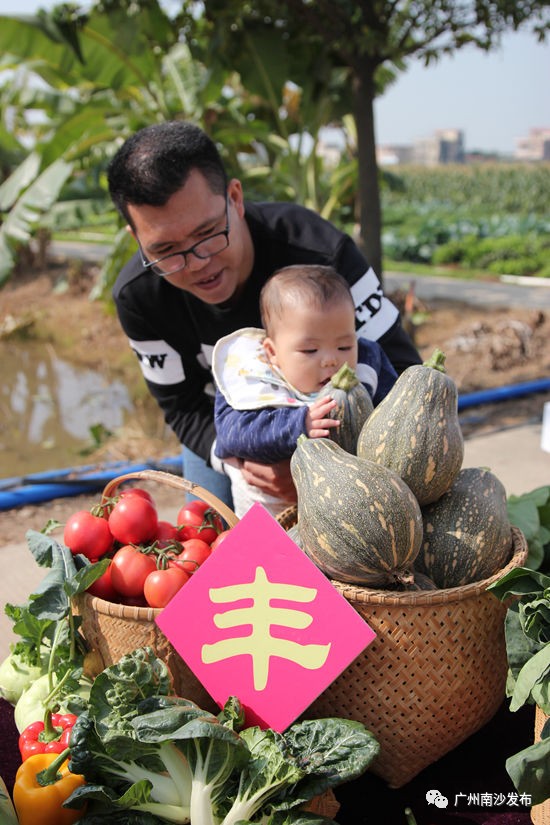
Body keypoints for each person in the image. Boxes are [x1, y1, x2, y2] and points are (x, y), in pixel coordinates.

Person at [107, 120, 421, 508]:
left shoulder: (323, 257)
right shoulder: (139, 297)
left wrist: (329, 470)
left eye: (208, 233)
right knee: (213, 530)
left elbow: (407, 376)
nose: (198, 262)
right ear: (136, 238)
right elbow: (184, 407)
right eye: (166, 251)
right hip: (232, 429)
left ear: (235, 199)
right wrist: (239, 465)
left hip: (348, 434)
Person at [212, 264, 398, 517]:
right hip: (270, 513)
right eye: (310, 351)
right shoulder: (251, 375)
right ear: (272, 353)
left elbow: (395, 414)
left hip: (346, 512)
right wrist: (298, 423)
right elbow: (231, 437)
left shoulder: (367, 362)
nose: (331, 360)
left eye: (344, 346)